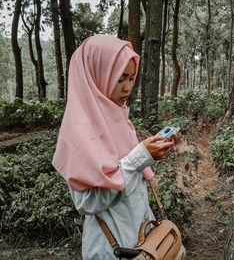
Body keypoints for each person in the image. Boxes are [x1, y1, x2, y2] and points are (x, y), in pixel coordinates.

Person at [52, 34, 177, 259]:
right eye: (120, 78)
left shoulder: (117, 118)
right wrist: (140, 157)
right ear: (97, 75)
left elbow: (132, 179)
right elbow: (87, 202)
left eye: (131, 78)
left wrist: (152, 155)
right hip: (111, 249)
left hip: (141, 240)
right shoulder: (79, 132)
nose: (128, 87)